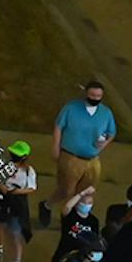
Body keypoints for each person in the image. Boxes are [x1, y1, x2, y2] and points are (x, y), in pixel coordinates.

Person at [48, 82, 116, 220]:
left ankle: (72, 216)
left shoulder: (106, 113)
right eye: (92, 95)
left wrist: (102, 145)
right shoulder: (71, 108)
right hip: (71, 156)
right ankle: (47, 205)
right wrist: (55, 147)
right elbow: (58, 127)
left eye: (98, 96)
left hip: (92, 160)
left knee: (86, 192)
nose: (95, 98)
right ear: (86, 93)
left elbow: (111, 132)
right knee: (66, 190)